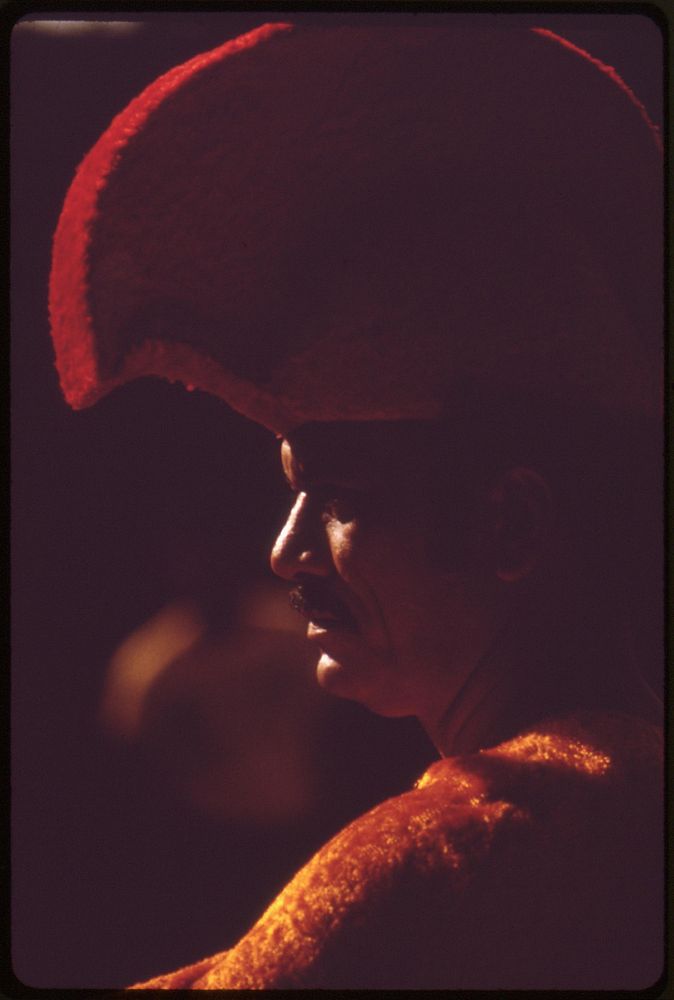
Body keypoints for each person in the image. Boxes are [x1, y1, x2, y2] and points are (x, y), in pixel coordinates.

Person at [48, 17, 663, 990]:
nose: (283, 553)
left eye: (335, 496)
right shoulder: (613, 807)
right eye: (293, 494)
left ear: (511, 522)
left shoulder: (453, 862)